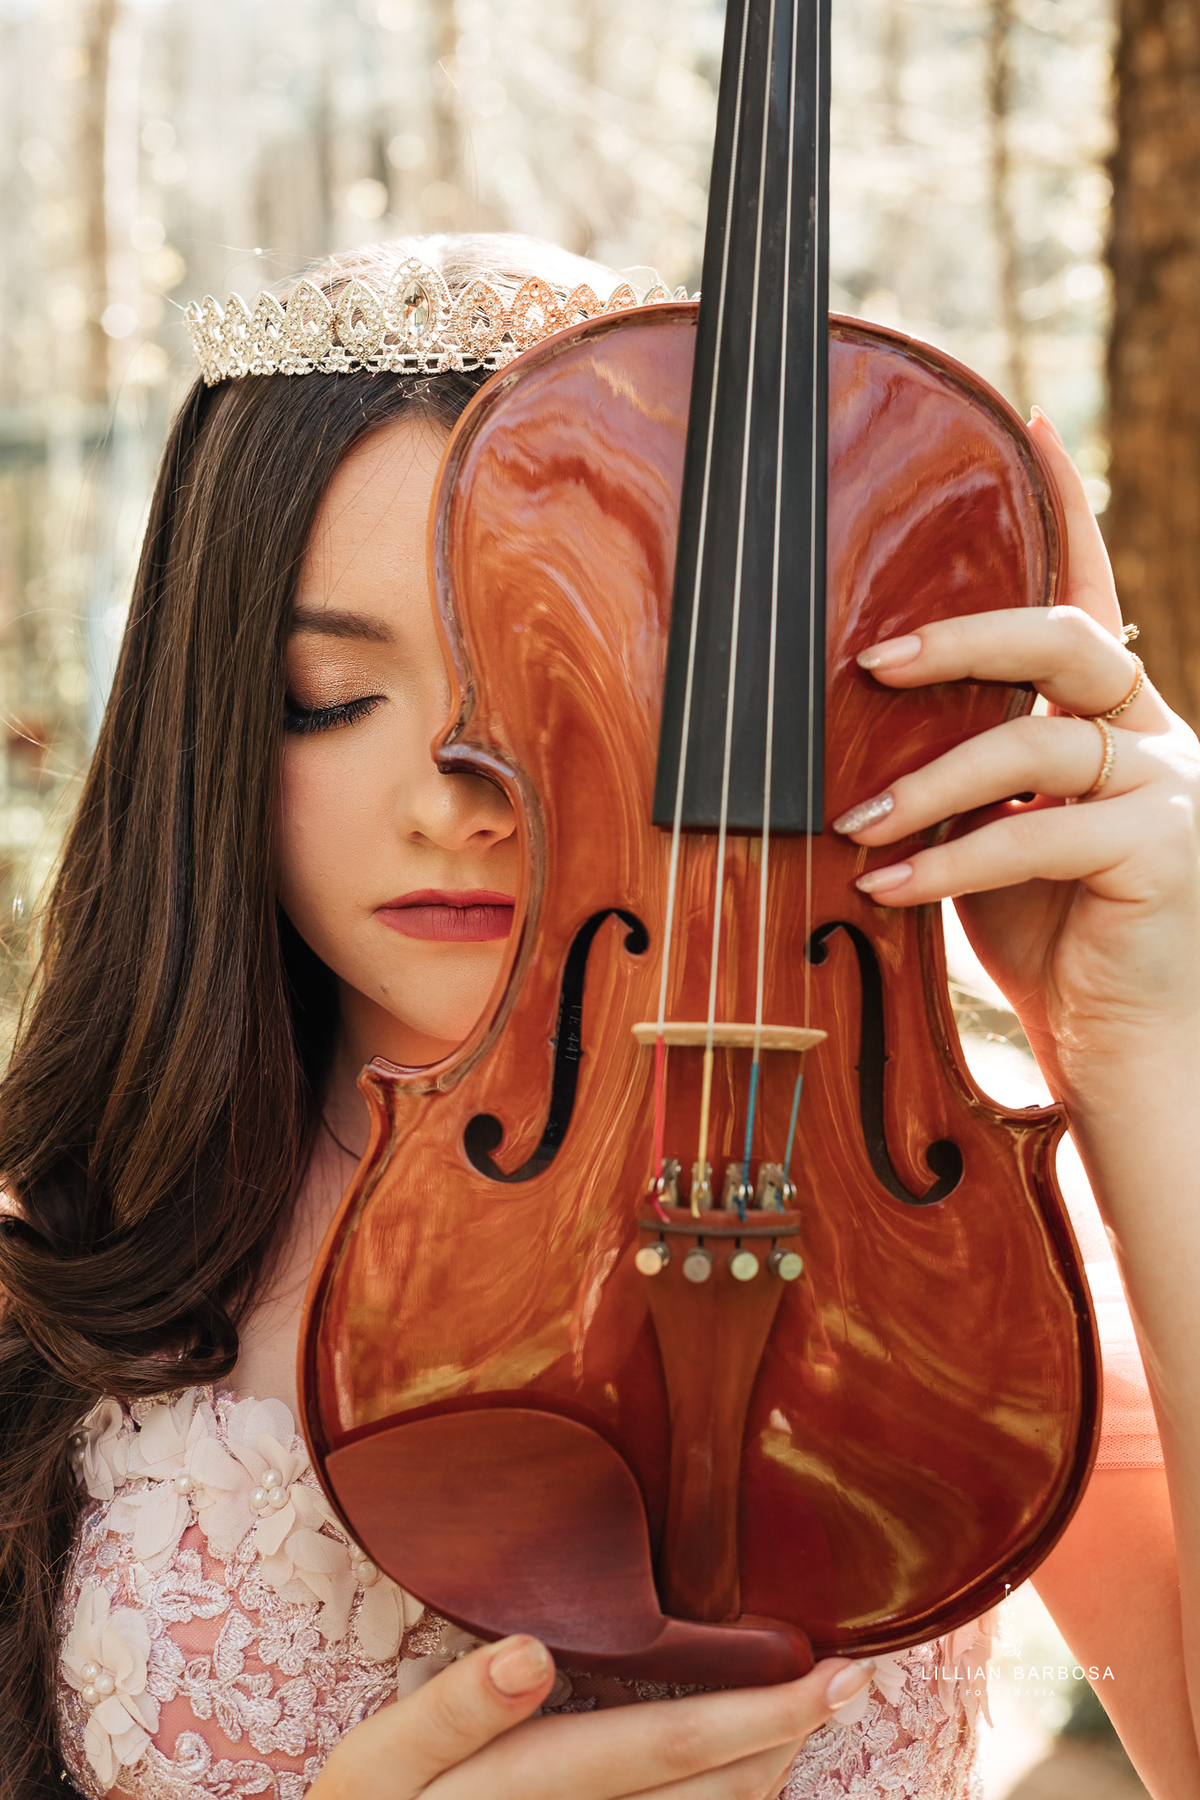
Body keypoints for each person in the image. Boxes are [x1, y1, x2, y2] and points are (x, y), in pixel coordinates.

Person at [0, 231, 1196, 1800]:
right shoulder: (40, 1282)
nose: (463, 801)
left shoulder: (954, 1278)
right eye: (333, 698)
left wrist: (1143, 1044)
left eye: (571, 685)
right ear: (214, 726)